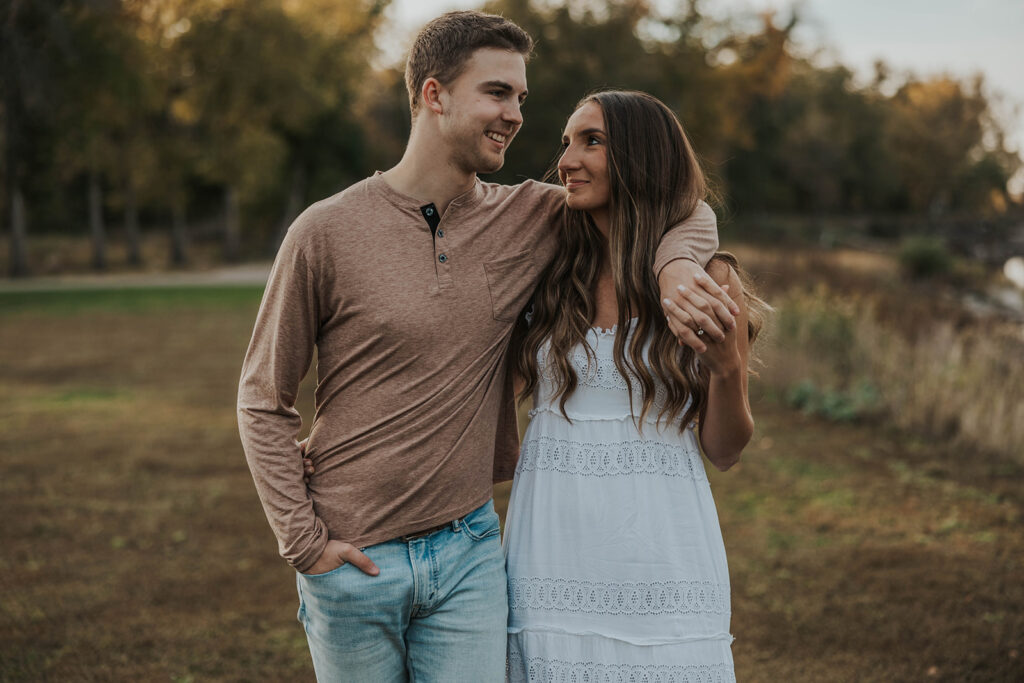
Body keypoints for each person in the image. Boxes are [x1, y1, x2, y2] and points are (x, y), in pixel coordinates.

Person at [237, 11, 735, 683]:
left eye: (521, 99)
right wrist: (306, 543)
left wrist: (675, 267)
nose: (515, 114)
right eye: (498, 93)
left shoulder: (531, 216)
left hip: (470, 555)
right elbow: (264, 399)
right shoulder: (324, 231)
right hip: (354, 562)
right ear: (434, 95)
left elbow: (678, 202)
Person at [502, 90, 768, 682]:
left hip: (661, 550)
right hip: (549, 545)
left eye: (591, 141)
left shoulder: (706, 278)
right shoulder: (548, 269)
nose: (566, 159)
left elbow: (725, 449)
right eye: (566, 142)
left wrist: (726, 370)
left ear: (643, 158)